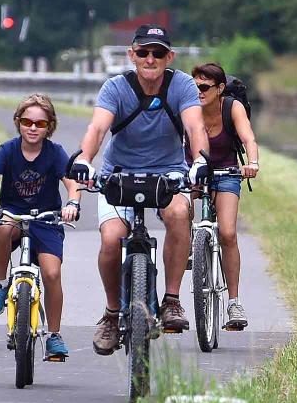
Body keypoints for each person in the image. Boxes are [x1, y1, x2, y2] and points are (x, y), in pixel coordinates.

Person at [69, 24, 209, 355]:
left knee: (178, 214)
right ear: (132, 55)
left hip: (168, 172)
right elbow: (98, 127)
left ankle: (171, 300)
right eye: (143, 52)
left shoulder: (182, 86)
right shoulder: (116, 88)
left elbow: (195, 125)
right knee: (110, 237)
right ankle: (112, 313)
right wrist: (85, 160)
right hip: (119, 173)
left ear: (169, 57)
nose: (150, 58)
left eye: (158, 53)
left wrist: (201, 160)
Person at [0, 93, 81, 360]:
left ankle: (54, 334)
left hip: (46, 219)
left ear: (49, 126)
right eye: (26, 121)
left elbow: (71, 183)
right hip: (13, 214)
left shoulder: (55, 153)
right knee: (1, 227)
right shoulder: (8, 149)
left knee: (52, 274)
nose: (32, 127)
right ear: (18, 122)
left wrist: (73, 203)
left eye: (40, 123)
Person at [191, 62, 259, 330]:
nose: (199, 91)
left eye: (205, 87)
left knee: (228, 233)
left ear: (220, 89)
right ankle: (187, 246)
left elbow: (248, 139)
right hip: (193, 172)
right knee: (180, 210)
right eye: (195, 86)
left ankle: (234, 302)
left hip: (227, 173)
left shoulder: (232, 107)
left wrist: (252, 163)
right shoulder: (188, 109)